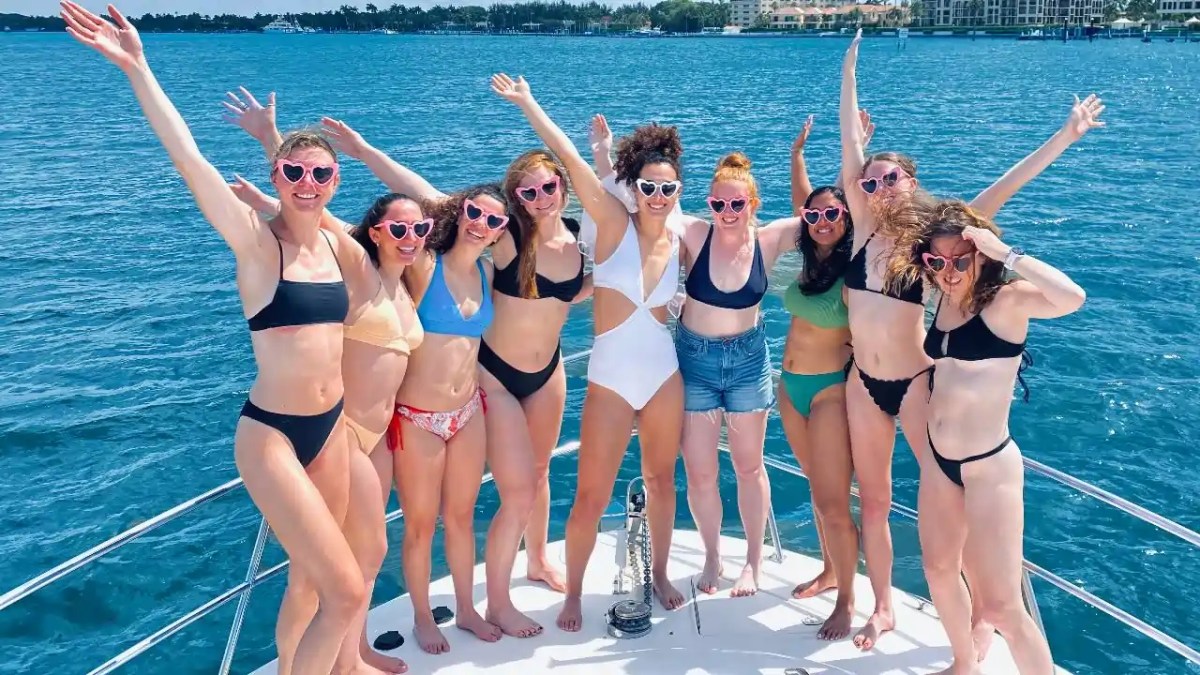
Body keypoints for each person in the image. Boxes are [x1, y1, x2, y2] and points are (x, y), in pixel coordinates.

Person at [59, 5, 371, 674]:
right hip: (274, 434)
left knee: (313, 583)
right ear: (274, 182)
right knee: (347, 592)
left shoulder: (336, 250)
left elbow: (347, 221)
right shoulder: (258, 247)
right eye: (293, 174)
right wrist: (138, 68)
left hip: (331, 424)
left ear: (336, 181)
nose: (307, 183)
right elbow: (189, 157)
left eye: (321, 174)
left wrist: (278, 140)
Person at [837, 28, 1105, 651]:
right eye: (870, 183)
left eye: (890, 180)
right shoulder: (860, 234)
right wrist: (848, 72)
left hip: (913, 386)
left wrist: (1062, 138)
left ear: (913, 181)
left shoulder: (934, 245)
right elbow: (850, 148)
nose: (877, 189)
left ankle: (983, 617)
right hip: (860, 382)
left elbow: (1000, 196)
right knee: (875, 498)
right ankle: (890, 610)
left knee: (948, 506)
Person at [313, 117, 591, 638]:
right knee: (437, 518)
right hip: (461, 396)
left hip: (517, 386)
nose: (540, 197)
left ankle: (524, 569)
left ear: (562, 188)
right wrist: (362, 149)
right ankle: (434, 613)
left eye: (549, 186)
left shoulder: (553, 247)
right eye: (527, 191)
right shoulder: (465, 256)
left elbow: (580, 285)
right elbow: (414, 200)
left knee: (528, 479)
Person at [491, 73, 688, 631]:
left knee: (662, 483)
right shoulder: (610, 223)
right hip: (610, 381)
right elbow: (566, 155)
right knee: (590, 496)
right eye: (647, 187)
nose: (656, 196)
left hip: (664, 378)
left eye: (667, 189)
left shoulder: (682, 236)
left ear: (678, 191)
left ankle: (662, 575)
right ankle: (574, 592)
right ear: (634, 186)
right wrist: (530, 102)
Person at [230, 174, 426, 675]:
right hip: (341, 435)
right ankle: (303, 664)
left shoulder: (407, 284)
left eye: (419, 229)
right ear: (374, 232)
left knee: (352, 561)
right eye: (397, 229)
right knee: (317, 576)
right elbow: (313, 210)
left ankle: (349, 658)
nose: (411, 238)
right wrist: (274, 168)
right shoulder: (357, 273)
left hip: (371, 438)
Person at [900, 200, 1082, 674]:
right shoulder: (942, 296)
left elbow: (1072, 298)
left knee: (1003, 608)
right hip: (940, 462)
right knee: (939, 571)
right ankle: (965, 663)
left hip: (988, 467)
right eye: (936, 262)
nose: (949, 271)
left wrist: (1006, 252)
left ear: (981, 255)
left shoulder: (1007, 301)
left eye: (961, 259)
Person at [392, 183, 509, 654]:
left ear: (501, 231)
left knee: (461, 518)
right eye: (475, 212)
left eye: (494, 220)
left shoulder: (485, 271)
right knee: (419, 525)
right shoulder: (423, 265)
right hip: (418, 417)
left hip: (468, 413)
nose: (482, 224)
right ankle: (423, 615)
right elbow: (350, 236)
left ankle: (466, 609)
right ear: (460, 212)